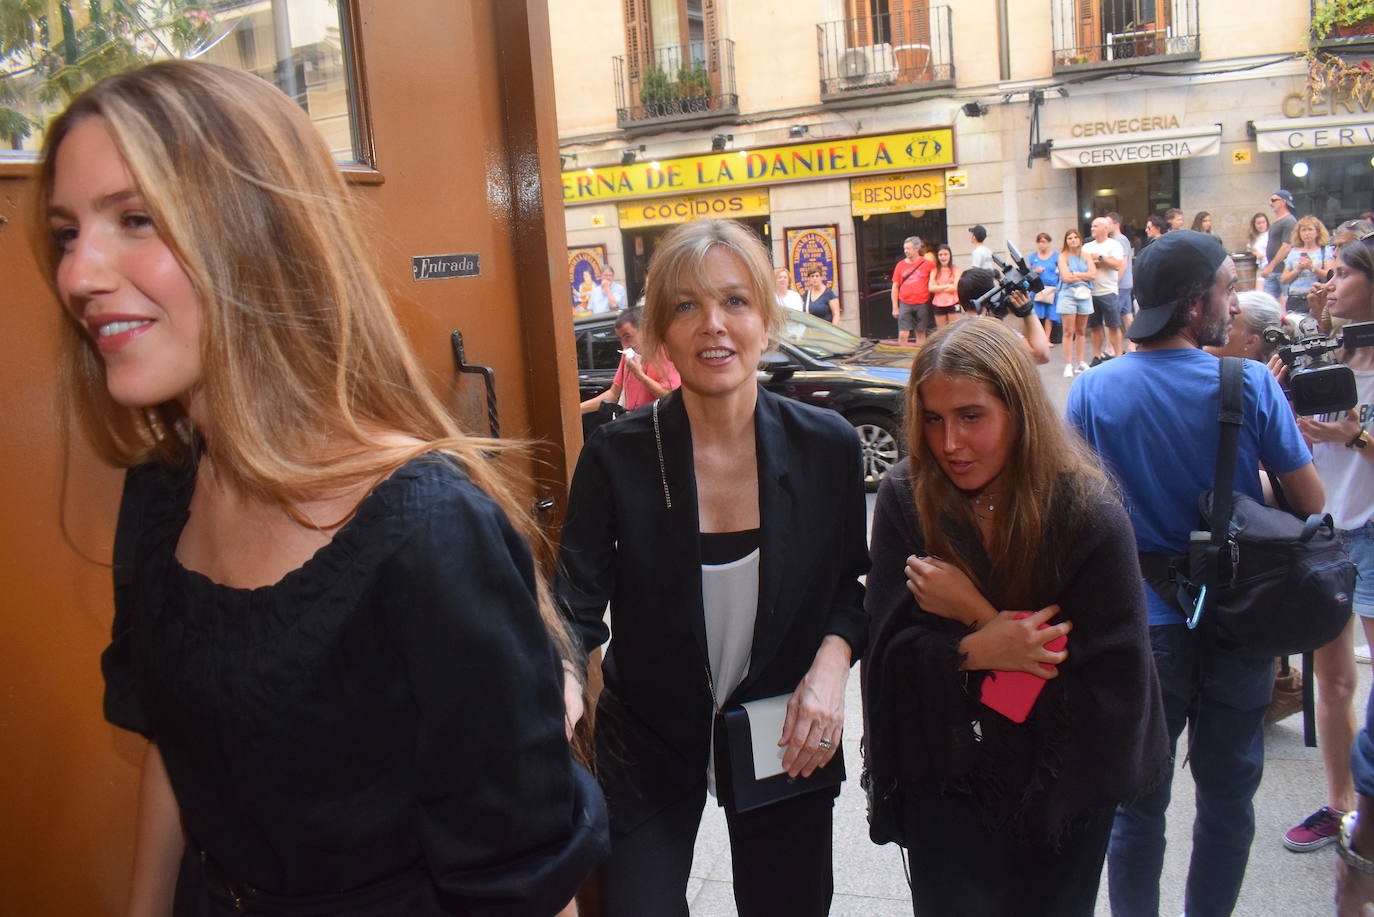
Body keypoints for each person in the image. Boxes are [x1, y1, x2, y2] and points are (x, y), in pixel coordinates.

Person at [44, 61, 607, 916]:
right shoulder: (162, 491)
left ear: (261, 236)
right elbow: (176, 743)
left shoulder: (425, 529)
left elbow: (523, 885)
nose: (78, 274)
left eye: (134, 218)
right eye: (65, 232)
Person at [557, 218, 868, 917]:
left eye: (734, 301)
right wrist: (564, 678)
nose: (713, 326)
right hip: (648, 732)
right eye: (686, 306)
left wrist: (828, 671)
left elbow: (851, 588)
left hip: (781, 727)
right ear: (659, 333)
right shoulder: (617, 456)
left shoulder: (828, 447)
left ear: (767, 318)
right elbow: (574, 601)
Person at [862, 317, 1168, 916]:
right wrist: (978, 650)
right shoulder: (906, 497)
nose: (950, 443)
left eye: (971, 416)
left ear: (1020, 411)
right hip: (944, 784)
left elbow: (1110, 693)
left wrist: (975, 617)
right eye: (933, 419)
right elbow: (887, 659)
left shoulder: (1087, 514)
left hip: (1062, 797)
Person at [1066, 230, 1325, 917]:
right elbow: (1312, 504)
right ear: (1191, 303)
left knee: (1137, 806)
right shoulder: (1250, 385)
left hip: (1141, 623)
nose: (1233, 305)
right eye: (1225, 290)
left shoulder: (1090, 392)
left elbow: (1074, 512)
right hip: (1241, 623)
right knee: (1228, 800)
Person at [1275, 236, 1374, 857]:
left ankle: (1369, 806)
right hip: (1324, 533)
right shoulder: (1318, 354)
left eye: (1342, 274)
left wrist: (1356, 434)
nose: (1329, 283)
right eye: (1328, 274)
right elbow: (1286, 446)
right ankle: (1339, 806)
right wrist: (1280, 395)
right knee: (1333, 682)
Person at [580, 307, 680, 416]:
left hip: (654, 425)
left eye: (627, 337)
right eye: (620, 338)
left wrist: (639, 375)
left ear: (645, 330)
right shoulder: (628, 356)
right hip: (632, 420)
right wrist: (580, 409)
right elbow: (614, 393)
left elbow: (670, 397)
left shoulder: (664, 352)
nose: (624, 345)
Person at [955, 268, 1051, 364]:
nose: (1005, 297)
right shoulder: (992, 331)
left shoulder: (955, 331)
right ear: (988, 300)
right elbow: (1041, 355)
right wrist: (1029, 312)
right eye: (1000, 292)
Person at [1082, 216, 1124, 363]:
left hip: (1108, 291)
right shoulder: (1086, 247)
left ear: (1105, 228)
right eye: (1092, 226)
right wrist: (1096, 262)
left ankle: (1118, 355)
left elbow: (1117, 264)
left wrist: (1100, 257)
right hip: (1090, 291)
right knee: (1095, 326)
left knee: (1113, 325)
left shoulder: (1114, 245)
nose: (1092, 228)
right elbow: (1083, 265)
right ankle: (1097, 356)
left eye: (1096, 226)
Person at [1058, 228, 1096, 376]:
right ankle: (1068, 364)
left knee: (1081, 331)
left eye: (1075, 237)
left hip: (1084, 294)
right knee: (1068, 331)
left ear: (1080, 239)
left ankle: (1080, 362)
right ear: (1066, 241)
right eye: (1069, 238)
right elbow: (1065, 278)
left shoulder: (1086, 255)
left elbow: (1093, 274)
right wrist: (1084, 276)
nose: (1073, 240)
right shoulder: (1063, 256)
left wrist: (1077, 274)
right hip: (1068, 294)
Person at [1280, 215, 1334, 314]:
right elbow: (1284, 279)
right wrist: (1298, 270)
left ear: (1317, 232)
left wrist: (1312, 267)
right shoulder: (1293, 252)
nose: (1307, 233)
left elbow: (1329, 276)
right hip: (1295, 299)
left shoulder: (1325, 251)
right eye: (1303, 230)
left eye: (1310, 229)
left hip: (1316, 298)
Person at [891, 236, 934, 345]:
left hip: (922, 302)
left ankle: (918, 358)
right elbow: (895, 286)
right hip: (905, 303)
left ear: (917, 248)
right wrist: (895, 307)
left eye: (908, 248)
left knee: (920, 332)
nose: (906, 251)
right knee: (903, 334)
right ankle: (903, 357)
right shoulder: (900, 265)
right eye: (905, 248)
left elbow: (934, 281)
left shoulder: (928, 264)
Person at [1261, 190, 1298, 300]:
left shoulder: (1289, 221)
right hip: (1274, 270)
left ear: (1283, 202)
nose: (1270, 203)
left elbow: (1286, 246)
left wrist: (1270, 266)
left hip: (1283, 270)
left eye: (1273, 200)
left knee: (1289, 300)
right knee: (1266, 302)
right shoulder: (1278, 220)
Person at [1108, 212, 1136, 344]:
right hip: (1123, 284)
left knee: (1113, 317)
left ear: (1116, 224)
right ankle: (1133, 344)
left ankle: (1111, 347)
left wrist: (1114, 282)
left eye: (1109, 224)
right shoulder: (1116, 240)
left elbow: (1122, 264)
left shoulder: (1121, 240)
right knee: (1126, 315)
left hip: (1121, 284)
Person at [1027, 231, 1060, 343]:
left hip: (1051, 289)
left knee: (1050, 315)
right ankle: (1037, 339)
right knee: (1036, 314)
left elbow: (1060, 270)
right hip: (1037, 289)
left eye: (1044, 242)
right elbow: (1027, 272)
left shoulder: (1055, 256)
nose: (1042, 244)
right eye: (1040, 242)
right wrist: (1035, 271)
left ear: (1048, 242)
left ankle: (1047, 339)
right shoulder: (1033, 257)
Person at [927, 243, 963, 329]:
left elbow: (955, 287)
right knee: (941, 331)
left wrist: (938, 288)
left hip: (953, 302)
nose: (943, 257)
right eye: (940, 255)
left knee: (954, 330)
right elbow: (931, 288)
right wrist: (947, 286)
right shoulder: (934, 270)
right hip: (938, 304)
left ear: (950, 255)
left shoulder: (956, 269)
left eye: (946, 254)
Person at [1248, 212, 1271, 291]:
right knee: (1259, 291)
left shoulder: (1270, 234)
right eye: (1258, 223)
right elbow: (1250, 248)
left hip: (1270, 266)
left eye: (1263, 222)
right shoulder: (1254, 237)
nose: (1261, 225)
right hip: (1261, 267)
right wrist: (1256, 253)